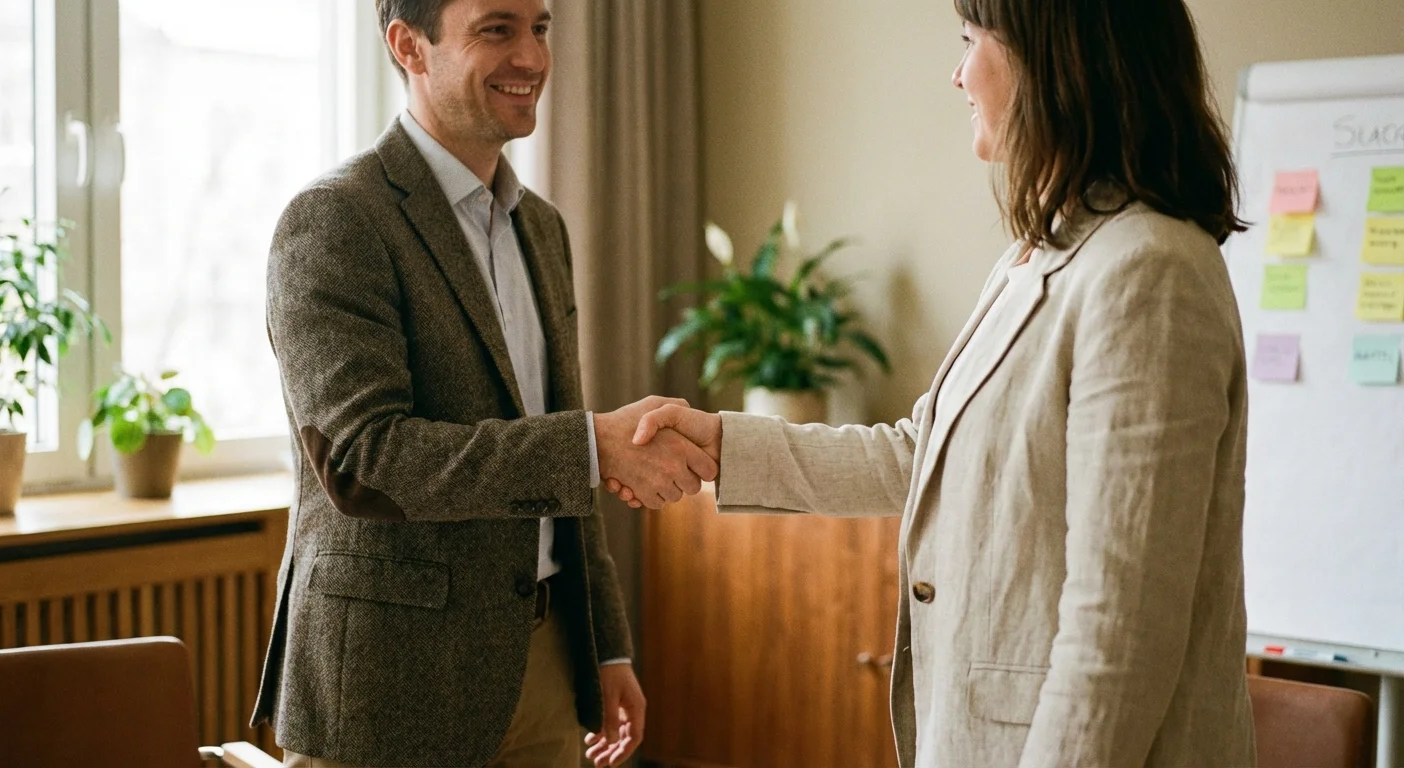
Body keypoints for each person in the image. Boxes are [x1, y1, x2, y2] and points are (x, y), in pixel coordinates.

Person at [617, 0, 1257, 764]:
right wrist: (722, 445)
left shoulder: (1148, 270)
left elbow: (1119, 628)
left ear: (1053, 60)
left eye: (970, 41)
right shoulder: (1039, 253)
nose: (957, 74)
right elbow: (919, 453)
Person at [252, 1, 717, 766]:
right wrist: (592, 446)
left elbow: (560, 449)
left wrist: (605, 645)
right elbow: (366, 460)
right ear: (409, 46)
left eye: (540, 27)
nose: (532, 57)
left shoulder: (544, 228)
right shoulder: (335, 220)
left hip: (543, 664)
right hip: (389, 686)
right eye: (496, 30)